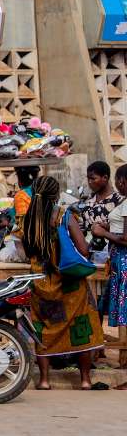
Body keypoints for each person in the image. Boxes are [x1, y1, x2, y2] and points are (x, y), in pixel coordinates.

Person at [22, 173, 104, 391]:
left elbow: (27, 251)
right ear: (55, 195)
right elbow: (84, 249)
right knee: (82, 325)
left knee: (43, 331)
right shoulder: (63, 215)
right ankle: (85, 380)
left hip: (41, 283)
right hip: (69, 284)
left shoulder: (28, 220)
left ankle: (44, 380)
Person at [92, 164, 127, 385]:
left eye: (118, 179)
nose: (118, 184)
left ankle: (125, 359)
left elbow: (126, 239)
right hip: (116, 262)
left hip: (123, 262)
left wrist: (103, 232)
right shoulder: (123, 203)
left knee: (124, 311)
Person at [72, 161, 119, 266]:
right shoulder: (87, 201)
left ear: (105, 178)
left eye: (93, 178)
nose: (89, 182)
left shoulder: (118, 200)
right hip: (89, 257)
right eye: (88, 178)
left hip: (113, 256)